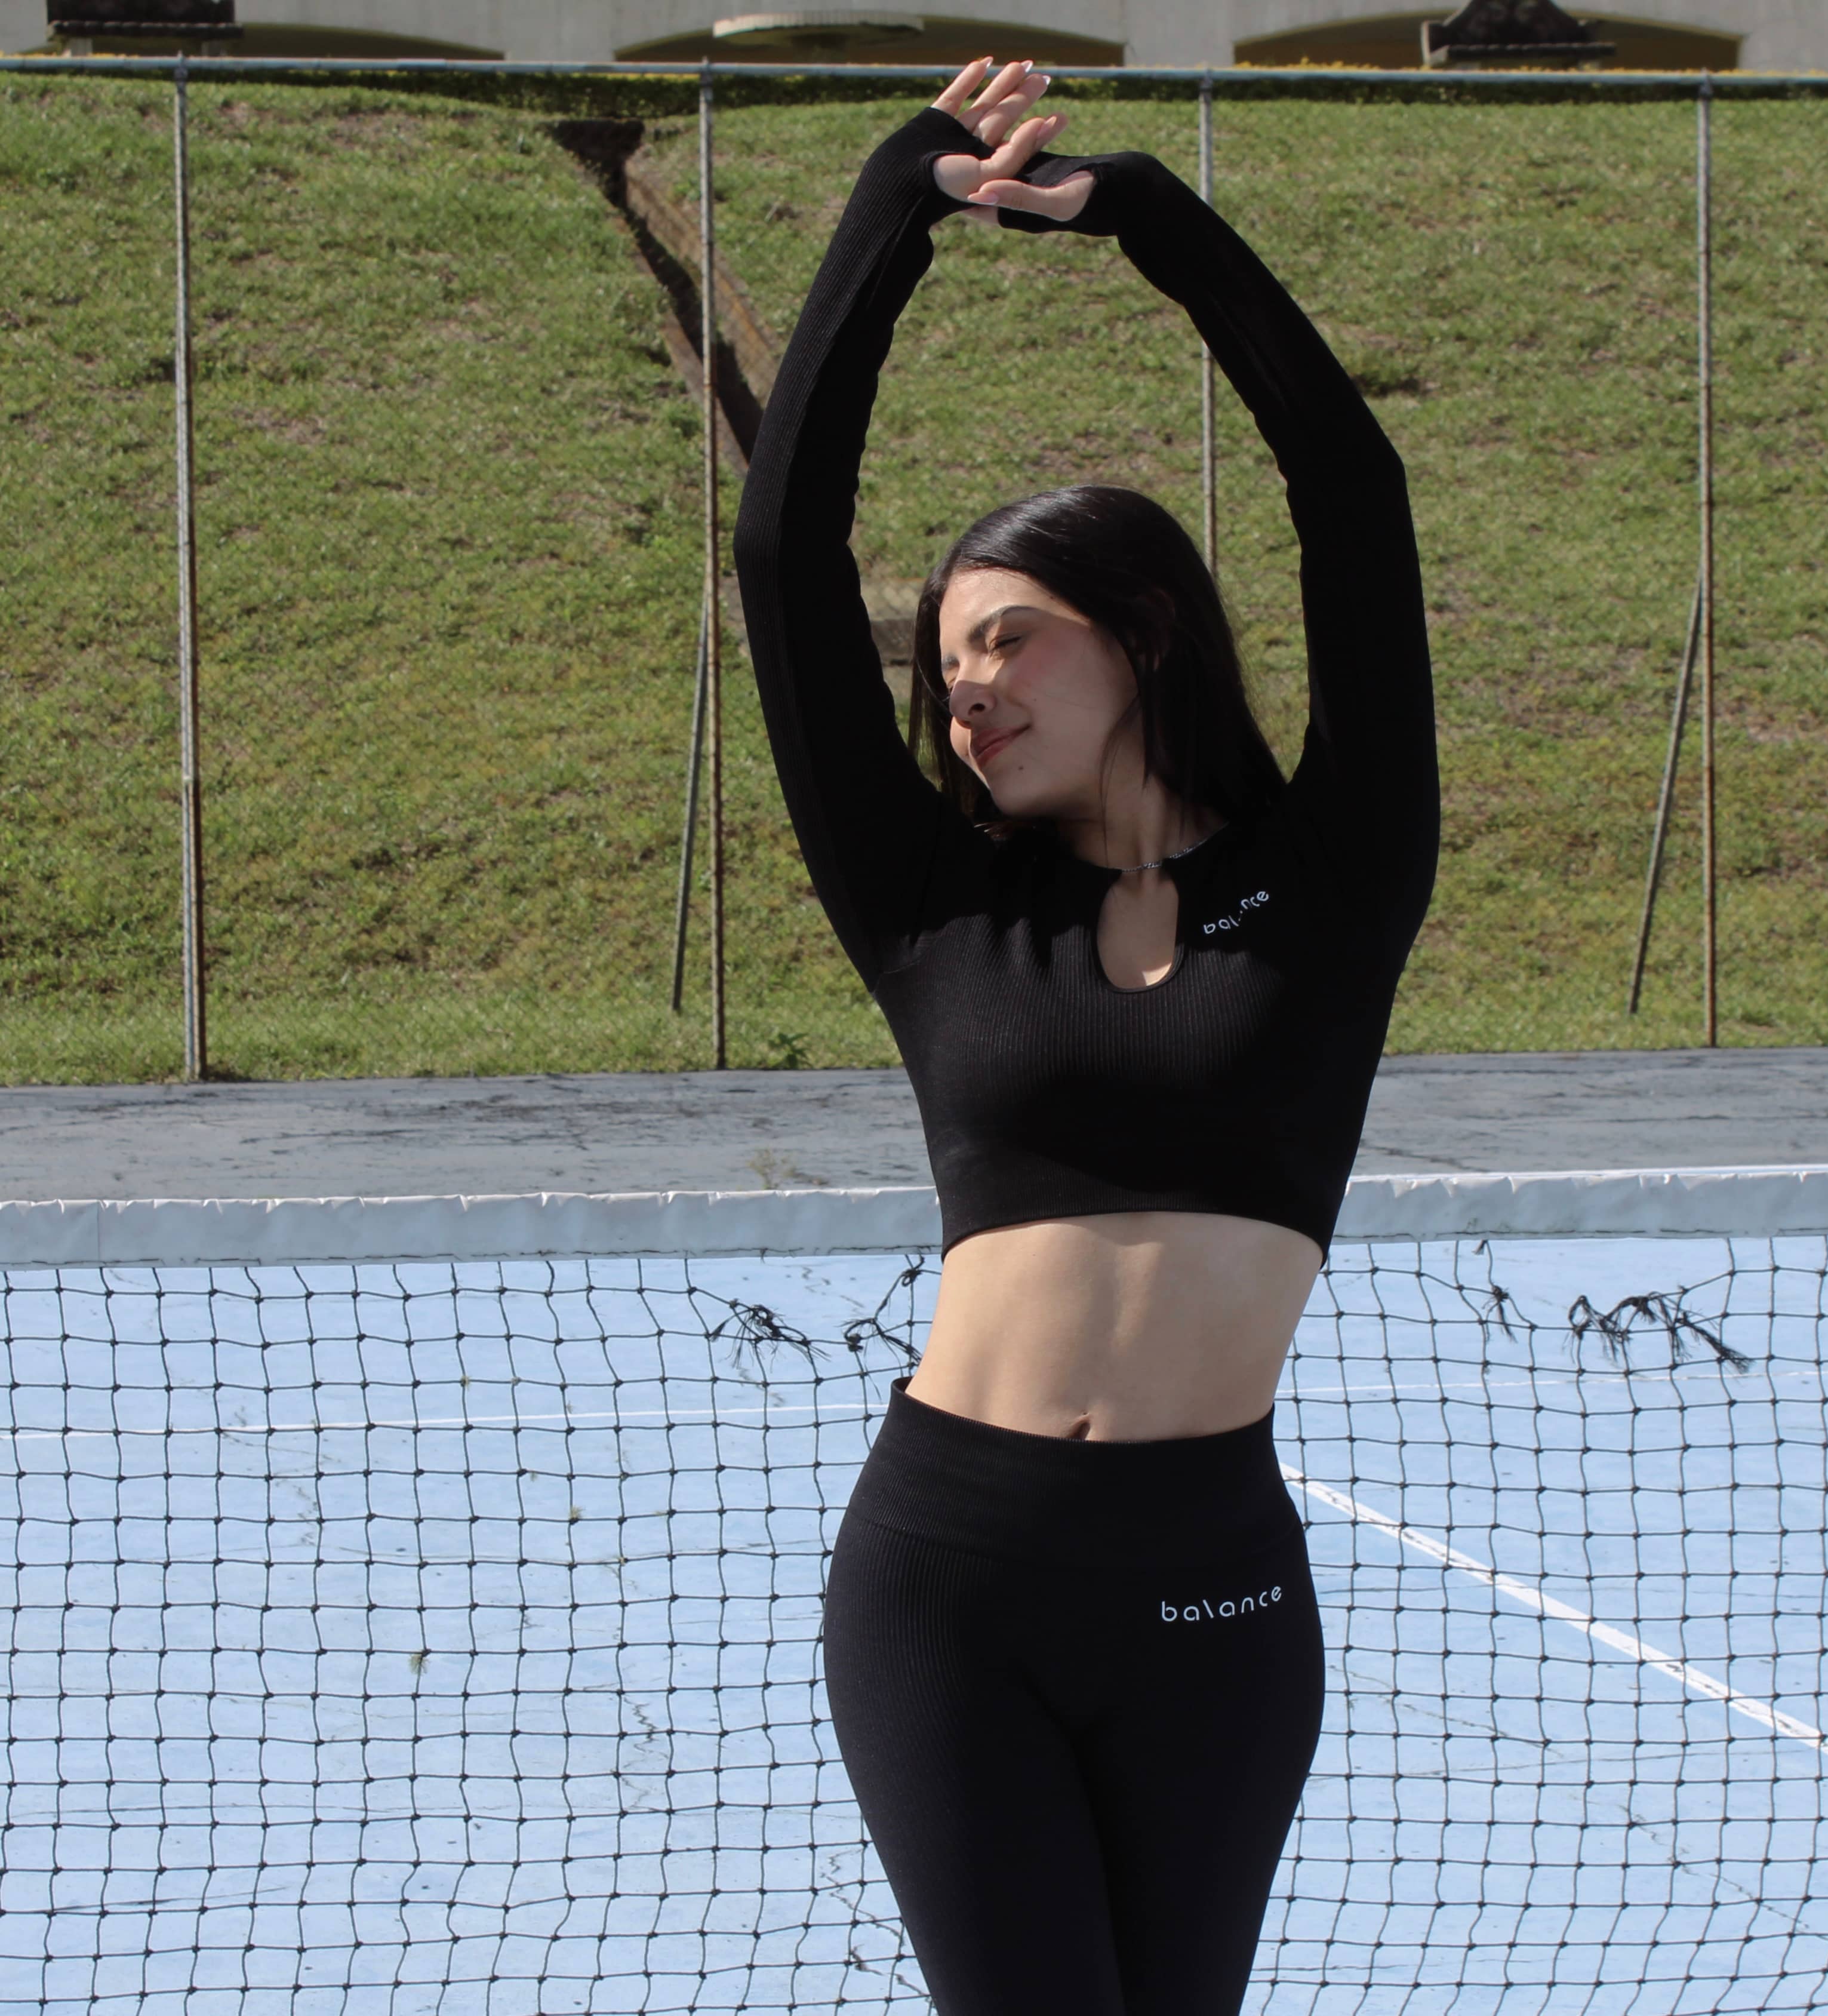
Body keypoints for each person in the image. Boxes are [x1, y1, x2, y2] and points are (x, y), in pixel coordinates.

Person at [731, 55, 1439, 2016]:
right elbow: (783, 557)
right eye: (945, 663)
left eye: (1007, 638)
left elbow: (1350, 499)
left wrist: (1142, 217)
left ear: (1139, 628)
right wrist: (899, 205)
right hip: (951, 1577)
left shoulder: (1341, 869)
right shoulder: (936, 906)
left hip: (1214, 1576)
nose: (966, 694)